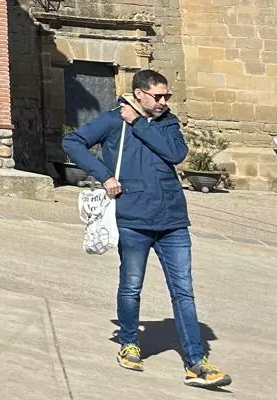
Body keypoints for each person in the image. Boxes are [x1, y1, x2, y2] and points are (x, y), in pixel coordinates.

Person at [63, 70, 231, 389]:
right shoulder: (113, 120)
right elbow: (73, 141)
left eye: (167, 96)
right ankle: (129, 343)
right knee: (131, 286)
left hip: (172, 220)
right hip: (134, 218)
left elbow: (176, 154)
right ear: (139, 94)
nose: (164, 101)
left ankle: (196, 361)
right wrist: (104, 176)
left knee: (183, 291)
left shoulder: (167, 122)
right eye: (158, 96)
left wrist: (139, 123)